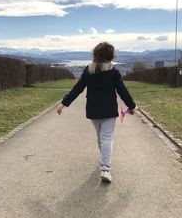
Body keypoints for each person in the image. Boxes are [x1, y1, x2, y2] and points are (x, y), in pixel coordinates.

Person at [56, 42, 136, 182]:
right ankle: (105, 168)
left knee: (101, 137)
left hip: (93, 111)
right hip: (109, 110)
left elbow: (77, 89)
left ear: (95, 55)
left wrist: (64, 103)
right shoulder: (114, 72)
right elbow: (122, 91)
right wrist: (132, 106)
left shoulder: (88, 71)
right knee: (106, 138)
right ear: (111, 56)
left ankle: (104, 162)